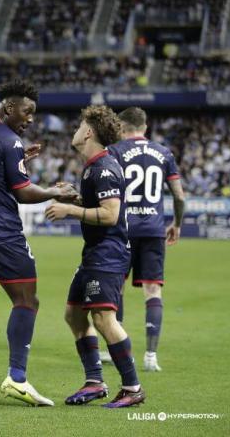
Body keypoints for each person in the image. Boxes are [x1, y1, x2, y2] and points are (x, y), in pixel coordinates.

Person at [0, 80, 78, 406]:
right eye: (27, 111)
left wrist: (17, 156)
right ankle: (17, 378)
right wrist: (56, 191)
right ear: (9, 107)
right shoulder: (8, 138)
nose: (31, 118)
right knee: (27, 301)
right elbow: (22, 191)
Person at [45, 105, 146, 408]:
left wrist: (69, 210)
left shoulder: (103, 167)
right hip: (94, 254)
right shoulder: (93, 166)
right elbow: (100, 205)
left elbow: (111, 214)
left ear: (88, 132)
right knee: (74, 314)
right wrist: (74, 197)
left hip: (108, 255)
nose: (76, 129)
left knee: (103, 318)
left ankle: (132, 387)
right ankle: (94, 382)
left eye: (80, 125)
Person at [107, 107, 185, 372]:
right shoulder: (164, 152)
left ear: (122, 126)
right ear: (145, 126)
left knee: (116, 287)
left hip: (123, 228)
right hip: (153, 229)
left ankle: (114, 348)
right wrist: (177, 223)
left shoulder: (116, 151)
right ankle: (151, 356)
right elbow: (179, 196)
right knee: (153, 291)